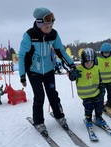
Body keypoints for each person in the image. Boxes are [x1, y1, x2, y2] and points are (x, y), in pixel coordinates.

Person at [18, 7, 81, 136]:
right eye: (47, 27)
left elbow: (61, 51)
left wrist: (72, 66)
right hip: (33, 71)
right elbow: (22, 56)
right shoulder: (29, 35)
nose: (49, 29)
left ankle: (59, 115)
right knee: (39, 96)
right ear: (39, 24)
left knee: (52, 93)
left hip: (48, 70)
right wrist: (22, 75)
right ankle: (39, 121)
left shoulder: (54, 34)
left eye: (51, 26)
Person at [69, 48, 107, 128]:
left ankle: (98, 117)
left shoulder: (96, 69)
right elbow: (71, 78)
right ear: (83, 61)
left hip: (96, 93)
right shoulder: (79, 69)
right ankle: (88, 118)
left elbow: (100, 80)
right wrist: (72, 74)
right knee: (88, 107)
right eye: (87, 62)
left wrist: (102, 89)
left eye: (91, 62)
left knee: (99, 105)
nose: (89, 64)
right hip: (85, 95)